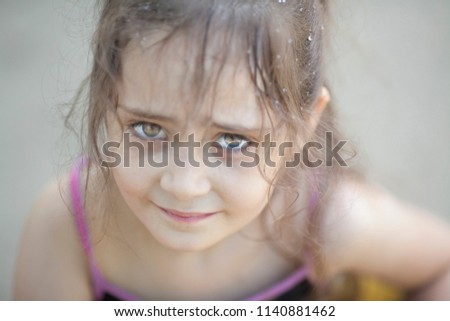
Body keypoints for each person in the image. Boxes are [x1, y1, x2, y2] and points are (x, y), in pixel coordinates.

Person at [14, 0, 450, 300]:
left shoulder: (327, 223)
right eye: (148, 129)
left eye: (232, 141)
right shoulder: (67, 229)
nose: (184, 185)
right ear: (108, 99)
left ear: (303, 127)